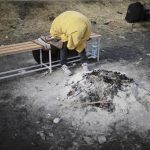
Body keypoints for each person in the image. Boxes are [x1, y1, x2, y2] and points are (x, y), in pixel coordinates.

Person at [50, 11, 92, 76]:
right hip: (63, 31)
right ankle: (63, 65)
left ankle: (84, 63)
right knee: (63, 45)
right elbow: (54, 33)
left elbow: (86, 35)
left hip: (76, 27)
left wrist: (82, 39)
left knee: (81, 44)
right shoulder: (56, 25)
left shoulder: (86, 25)